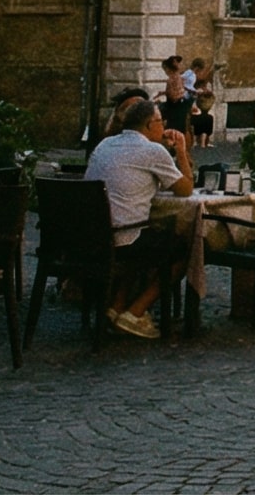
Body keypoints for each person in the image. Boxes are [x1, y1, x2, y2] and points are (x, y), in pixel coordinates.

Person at [84, 97, 195, 338]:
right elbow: (185, 189)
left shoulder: (104, 145)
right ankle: (136, 312)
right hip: (122, 238)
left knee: (146, 234)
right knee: (184, 249)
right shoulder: (152, 150)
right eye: (159, 121)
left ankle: (117, 305)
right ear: (148, 125)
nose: (163, 126)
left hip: (93, 237)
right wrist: (181, 152)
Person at [158, 55, 194, 140]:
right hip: (180, 104)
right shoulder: (178, 77)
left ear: (168, 68)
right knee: (180, 127)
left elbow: (174, 95)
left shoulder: (171, 79)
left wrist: (166, 94)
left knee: (174, 127)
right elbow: (178, 90)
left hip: (174, 107)